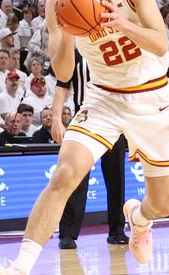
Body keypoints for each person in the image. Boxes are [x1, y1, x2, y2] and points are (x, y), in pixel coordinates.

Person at [0, 0, 169, 275]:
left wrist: (121, 22)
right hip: (102, 98)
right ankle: (18, 274)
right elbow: (65, 71)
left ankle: (139, 219)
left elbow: (160, 43)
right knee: (64, 174)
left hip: (151, 97)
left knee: (164, 204)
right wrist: (69, 31)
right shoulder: (59, 2)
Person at [53, 50, 130, 250]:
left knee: (116, 180)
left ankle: (117, 230)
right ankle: (67, 234)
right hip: (85, 118)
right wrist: (56, 119)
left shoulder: (112, 49)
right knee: (76, 180)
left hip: (115, 119)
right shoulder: (75, 52)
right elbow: (62, 85)